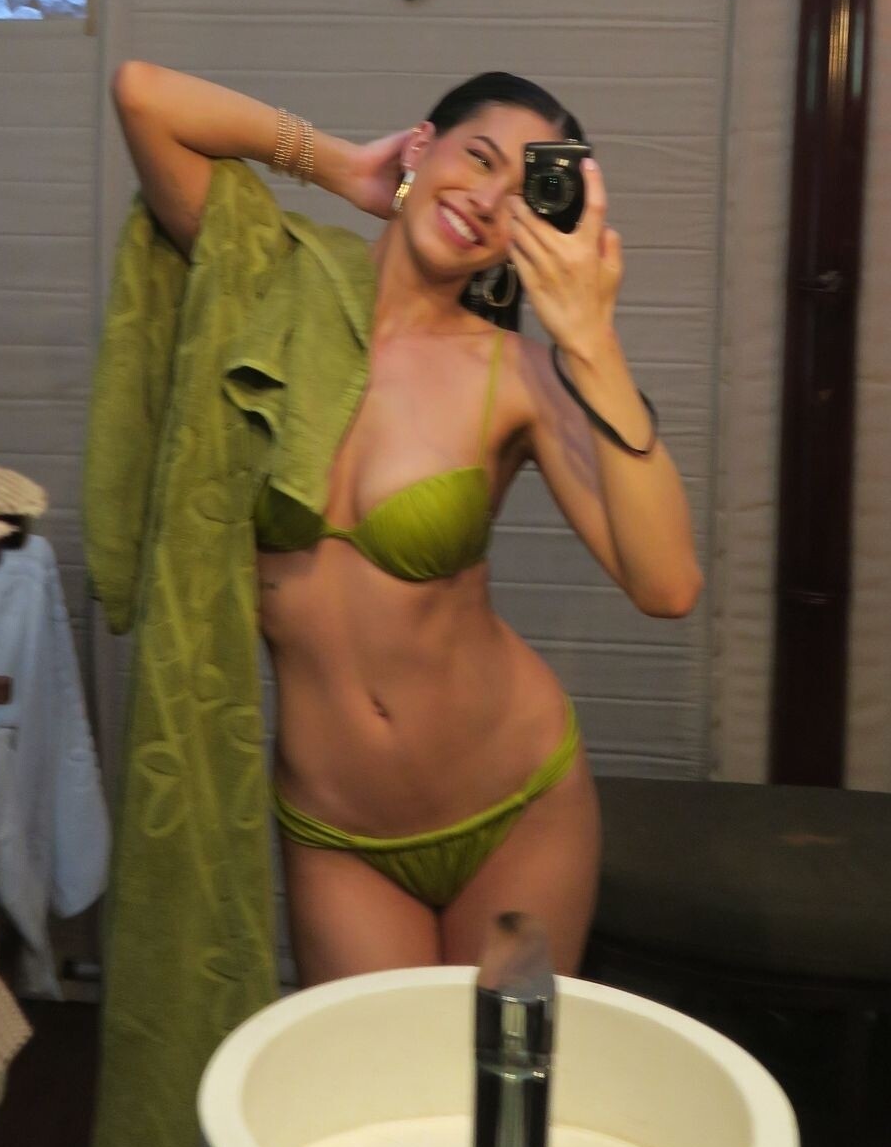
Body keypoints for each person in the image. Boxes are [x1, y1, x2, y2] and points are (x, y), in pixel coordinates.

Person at [111, 63, 702, 983]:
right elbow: (144, 95)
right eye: (478, 157)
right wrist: (342, 165)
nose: (487, 200)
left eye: (522, 196)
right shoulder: (272, 293)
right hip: (337, 834)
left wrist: (591, 340)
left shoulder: (519, 373)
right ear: (422, 146)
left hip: (518, 809)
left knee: (501, 1076)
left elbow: (667, 584)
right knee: (371, 1080)